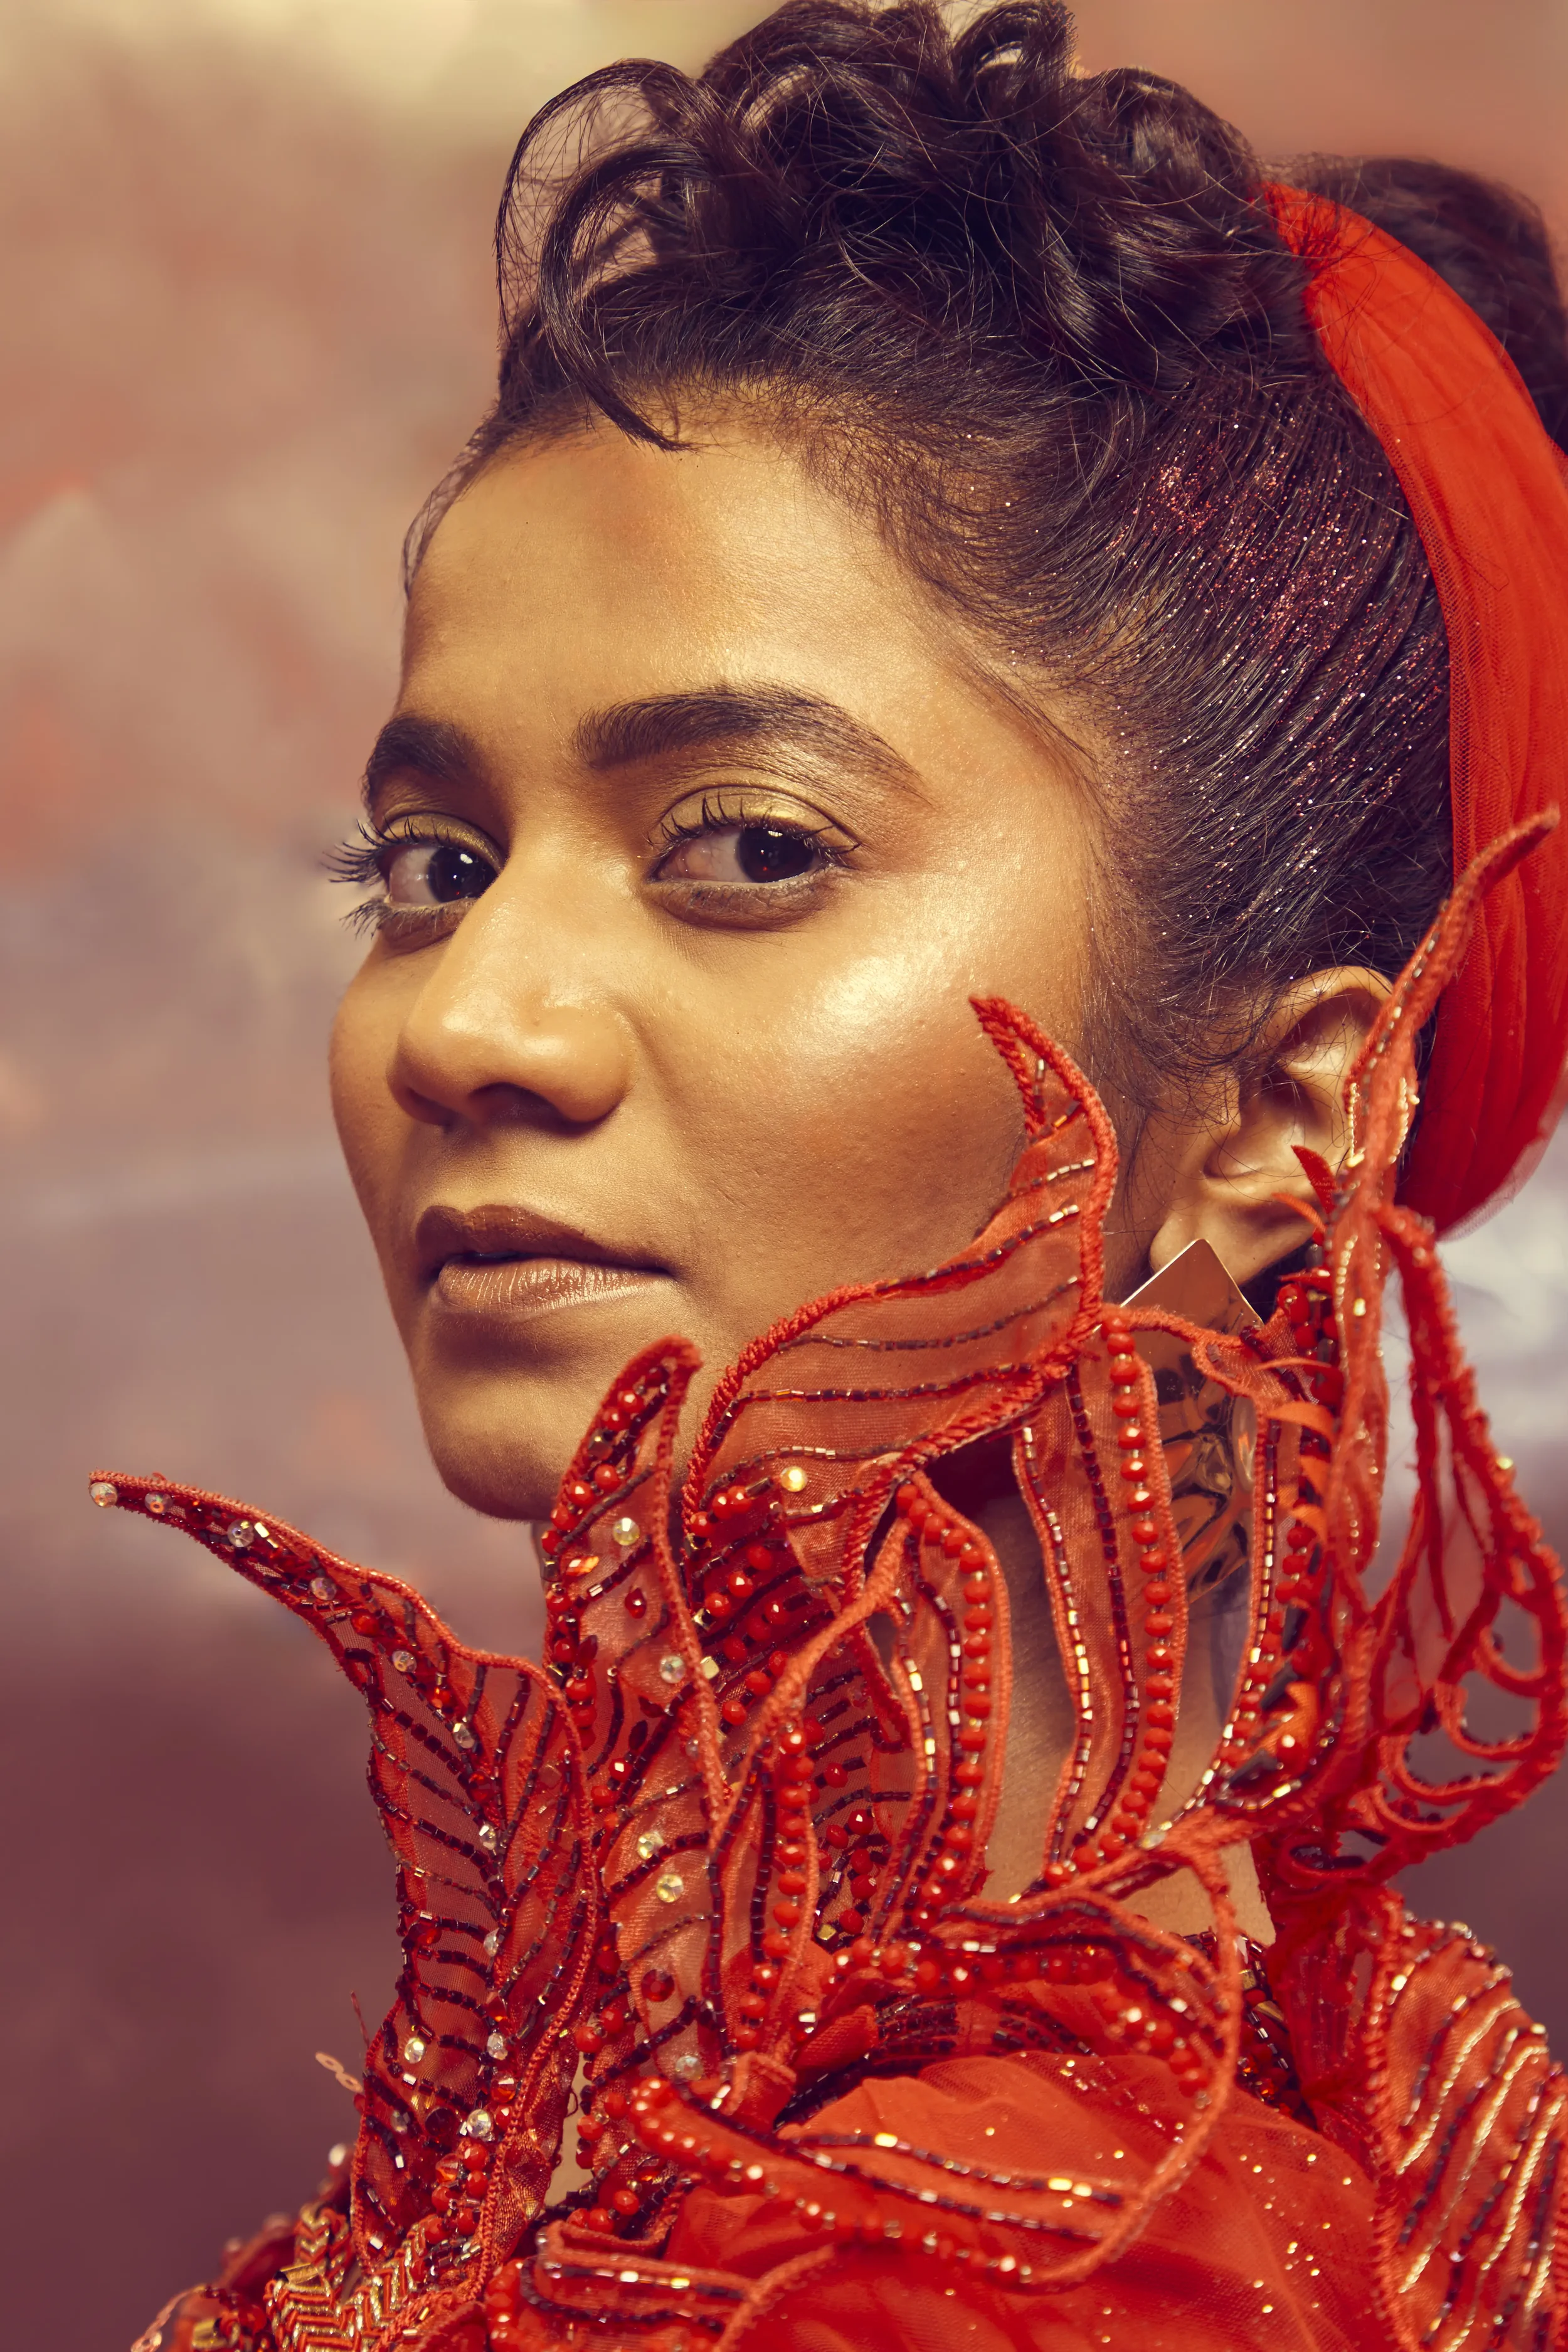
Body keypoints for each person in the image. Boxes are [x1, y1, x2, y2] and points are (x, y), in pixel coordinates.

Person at [115, 4, 1568, 2346]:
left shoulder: (968, 2275)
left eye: (749, 847)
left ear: (1300, 1115)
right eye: (429, 859)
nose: (468, 1019)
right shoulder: (905, 2170)